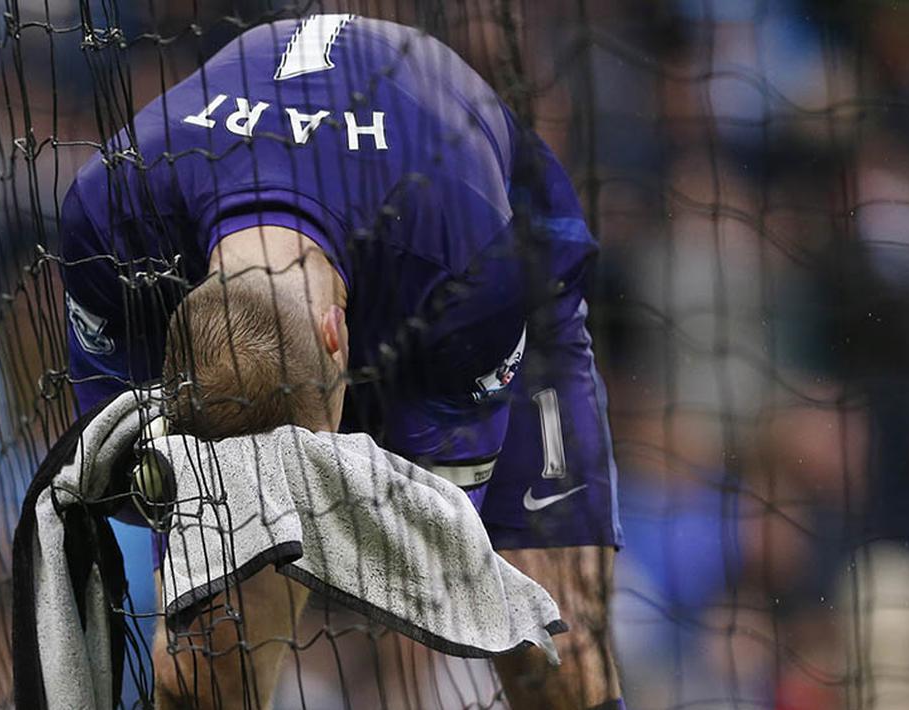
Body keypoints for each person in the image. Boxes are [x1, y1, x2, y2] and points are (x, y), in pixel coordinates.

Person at [60, 14, 624, 709]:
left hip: (487, 299)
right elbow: (127, 468)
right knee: (201, 678)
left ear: (336, 336)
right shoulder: (109, 219)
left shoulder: (472, 268)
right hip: (354, 240)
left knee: (551, 656)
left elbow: (438, 552)